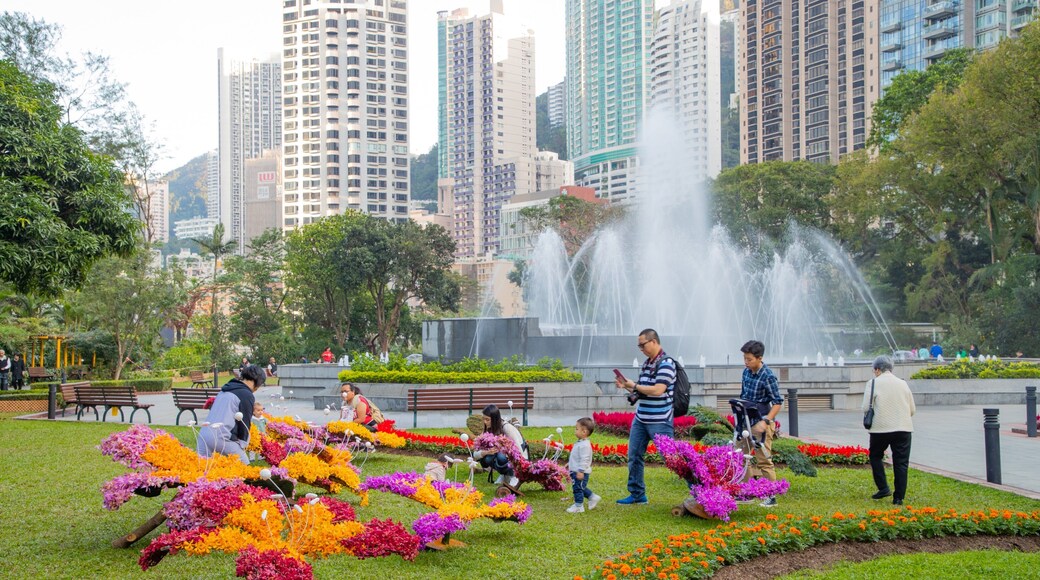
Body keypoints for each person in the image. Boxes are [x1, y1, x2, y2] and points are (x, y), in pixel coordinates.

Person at [614, 328, 676, 505]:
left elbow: (658, 390)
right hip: (641, 418)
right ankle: (637, 493)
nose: (641, 349)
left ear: (654, 341)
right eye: (639, 346)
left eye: (643, 345)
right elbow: (642, 390)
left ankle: (699, 489)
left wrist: (634, 385)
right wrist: (626, 385)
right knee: (634, 455)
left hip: (660, 420)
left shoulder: (666, 363)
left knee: (672, 459)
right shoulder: (647, 363)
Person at [862, 355, 916, 505]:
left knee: (875, 456)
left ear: (878, 369)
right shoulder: (903, 384)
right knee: (901, 463)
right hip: (903, 428)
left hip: (880, 429)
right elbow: (912, 409)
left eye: (874, 370)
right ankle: (898, 498)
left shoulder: (872, 383)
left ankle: (883, 487)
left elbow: (866, 407)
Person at [739, 339, 785, 508]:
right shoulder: (746, 372)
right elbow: (744, 394)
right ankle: (747, 492)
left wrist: (766, 421)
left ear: (759, 358)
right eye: (744, 358)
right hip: (746, 421)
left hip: (761, 421)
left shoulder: (768, 376)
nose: (746, 362)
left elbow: (778, 402)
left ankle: (771, 496)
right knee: (740, 455)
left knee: (763, 459)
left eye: (749, 359)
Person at [197, 364, 266, 463]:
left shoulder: (225, 389)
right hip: (221, 437)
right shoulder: (246, 394)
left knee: (204, 470)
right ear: (257, 381)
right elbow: (244, 421)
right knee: (244, 468)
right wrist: (243, 444)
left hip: (204, 435)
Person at [472, 404, 527, 490]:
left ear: (494, 420)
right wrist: (486, 452)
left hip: (518, 456)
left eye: (487, 420)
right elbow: (475, 453)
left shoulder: (507, 428)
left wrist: (521, 467)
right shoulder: (487, 430)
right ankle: (505, 475)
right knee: (487, 458)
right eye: (484, 419)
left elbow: (519, 450)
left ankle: (514, 476)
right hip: (502, 456)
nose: (485, 422)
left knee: (501, 456)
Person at [566, 417, 601, 513]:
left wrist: (581, 471)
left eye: (577, 429)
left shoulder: (584, 445)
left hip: (580, 472)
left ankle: (579, 506)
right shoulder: (580, 443)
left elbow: (584, 459)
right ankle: (593, 497)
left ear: (584, 432)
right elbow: (576, 457)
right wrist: (569, 464)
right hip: (575, 470)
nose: (575, 431)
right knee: (580, 487)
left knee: (577, 489)